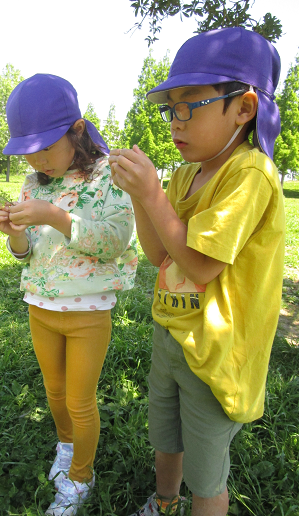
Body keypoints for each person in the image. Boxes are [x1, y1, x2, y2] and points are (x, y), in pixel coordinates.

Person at [109, 27, 285, 516]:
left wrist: (150, 196)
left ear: (244, 108)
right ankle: (165, 502)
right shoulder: (186, 173)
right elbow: (159, 255)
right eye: (170, 109)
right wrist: (142, 198)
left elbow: (202, 264)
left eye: (190, 105)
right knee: (166, 437)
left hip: (218, 352)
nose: (174, 123)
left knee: (207, 474)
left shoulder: (249, 175)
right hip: (172, 333)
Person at [0, 74, 137, 516]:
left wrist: (55, 215)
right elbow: (26, 253)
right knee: (54, 392)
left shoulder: (108, 175)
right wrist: (15, 235)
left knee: (79, 400)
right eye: (27, 151)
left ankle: (81, 476)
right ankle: (66, 445)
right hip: (41, 306)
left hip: (88, 312)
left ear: (77, 129)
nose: (38, 159)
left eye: (46, 147)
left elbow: (113, 241)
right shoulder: (34, 184)